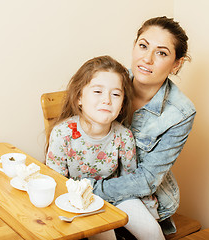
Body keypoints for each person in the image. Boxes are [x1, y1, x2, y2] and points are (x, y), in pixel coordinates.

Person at [90, 16, 196, 239]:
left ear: (177, 64)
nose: (146, 59)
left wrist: (91, 189)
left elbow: (147, 179)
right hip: (93, 187)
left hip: (142, 199)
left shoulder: (180, 113)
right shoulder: (107, 82)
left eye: (161, 53)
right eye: (143, 46)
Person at [45, 55, 164, 239]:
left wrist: (150, 215)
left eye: (115, 94)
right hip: (78, 201)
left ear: (122, 103)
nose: (107, 100)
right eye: (98, 92)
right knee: (104, 232)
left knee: (152, 232)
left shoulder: (124, 136)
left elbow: (130, 181)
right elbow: (57, 184)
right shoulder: (63, 134)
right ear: (79, 98)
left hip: (118, 196)